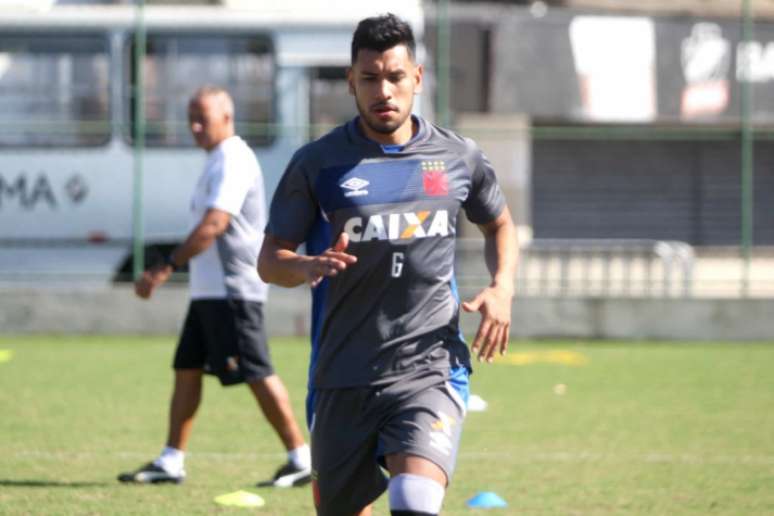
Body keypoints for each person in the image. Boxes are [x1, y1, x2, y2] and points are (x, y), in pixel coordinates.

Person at [257, 14, 518, 516]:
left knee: (414, 500)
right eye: (370, 77)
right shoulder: (319, 163)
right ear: (351, 81)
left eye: (395, 76)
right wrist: (305, 266)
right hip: (342, 373)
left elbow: (500, 225)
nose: (384, 90)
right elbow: (270, 260)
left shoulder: (457, 157)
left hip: (429, 367)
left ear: (416, 78)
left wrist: (502, 287)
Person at [118, 86, 311, 488]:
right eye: (190, 116)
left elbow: (214, 225)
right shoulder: (216, 160)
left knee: (257, 371)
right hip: (208, 292)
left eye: (201, 117)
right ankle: (171, 460)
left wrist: (165, 266)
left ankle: (302, 457)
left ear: (227, 116)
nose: (193, 126)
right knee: (186, 369)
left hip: (233, 289)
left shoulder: (234, 159)